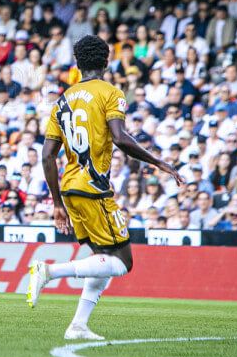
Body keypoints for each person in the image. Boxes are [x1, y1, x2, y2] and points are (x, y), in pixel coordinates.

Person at [26, 35, 181, 340]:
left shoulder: (63, 100)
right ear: (106, 61)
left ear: (78, 63)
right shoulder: (111, 93)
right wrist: (158, 162)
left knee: (102, 258)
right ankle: (48, 272)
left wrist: (57, 203)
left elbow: (47, 155)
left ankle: (78, 325)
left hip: (70, 189)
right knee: (123, 262)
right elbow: (121, 139)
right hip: (94, 188)